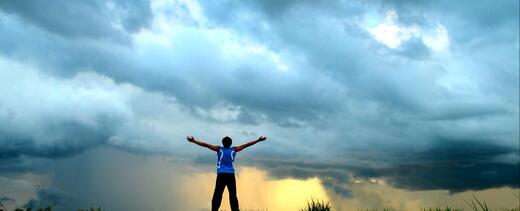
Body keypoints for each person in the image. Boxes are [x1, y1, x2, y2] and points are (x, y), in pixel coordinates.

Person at [186, 135, 267, 211]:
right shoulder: (234, 149)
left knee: (218, 194)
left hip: (221, 175)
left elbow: (206, 145)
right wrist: (258, 140)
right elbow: (247, 145)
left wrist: (194, 141)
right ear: (231, 143)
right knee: (233, 195)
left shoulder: (219, 149)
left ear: (222, 143)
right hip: (230, 175)